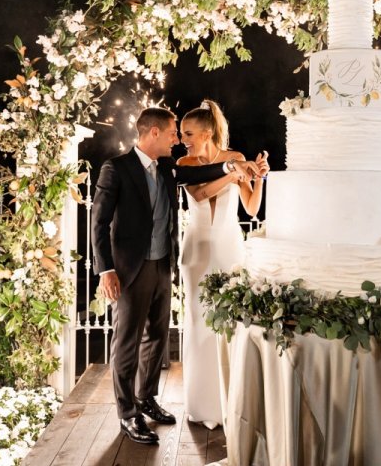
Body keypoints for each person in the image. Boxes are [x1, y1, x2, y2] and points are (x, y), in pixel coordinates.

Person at [90, 106, 260, 445]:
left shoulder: (169, 167)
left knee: (157, 336)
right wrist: (106, 270)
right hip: (129, 270)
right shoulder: (117, 169)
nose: (177, 141)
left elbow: (202, 176)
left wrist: (232, 166)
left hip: (162, 265)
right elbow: (99, 223)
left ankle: (146, 399)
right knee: (127, 342)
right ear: (153, 133)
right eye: (172, 134)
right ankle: (127, 415)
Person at [177, 99, 269, 429]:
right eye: (181, 133)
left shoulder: (236, 159)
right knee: (199, 321)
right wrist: (233, 175)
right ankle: (202, 405)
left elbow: (253, 207)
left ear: (207, 132)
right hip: (198, 249)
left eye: (187, 133)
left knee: (231, 321)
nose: (182, 138)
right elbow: (200, 195)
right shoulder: (184, 162)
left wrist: (256, 175)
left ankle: (233, 402)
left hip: (230, 247)